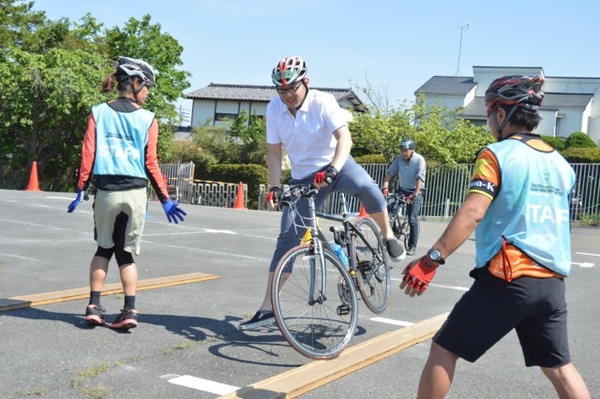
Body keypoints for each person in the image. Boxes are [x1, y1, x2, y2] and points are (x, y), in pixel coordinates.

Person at [399, 75, 590, 398]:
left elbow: (473, 212)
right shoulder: (561, 164)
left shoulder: (497, 154)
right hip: (552, 282)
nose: (489, 122)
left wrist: (431, 260)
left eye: (489, 114)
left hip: (510, 275)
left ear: (501, 114)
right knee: (559, 367)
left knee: (443, 350)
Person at [238, 55, 406, 331]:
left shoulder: (323, 101)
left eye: (292, 88)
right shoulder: (274, 109)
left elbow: (345, 138)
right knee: (287, 241)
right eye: (281, 90)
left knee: (367, 188)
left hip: (336, 167)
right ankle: (268, 309)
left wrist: (332, 170)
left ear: (306, 82)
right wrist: (275, 186)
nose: (287, 95)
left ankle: (387, 235)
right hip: (303, 178)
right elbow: (273, 151)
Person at [67, 56, 186, 330]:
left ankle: (93, 306)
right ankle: (130, 310)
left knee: (103, 248)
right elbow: (151, 163)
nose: (147, 93)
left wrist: (80, 188)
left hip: (107, 191)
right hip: (135, 194)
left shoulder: (98, 112)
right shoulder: (148, 118)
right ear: (134, 83)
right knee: (126, 253)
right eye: (146, 87)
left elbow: (88, 152)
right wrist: (165, 199)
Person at [382, 138, 426, 256]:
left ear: (412, 150)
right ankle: (394, 229)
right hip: (402, 189)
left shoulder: (419, 159)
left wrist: (415, 194)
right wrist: (385, 187)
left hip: (415, 190)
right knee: (388, 208)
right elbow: (389, 173)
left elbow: (420, 178)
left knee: (412, 219)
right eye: (402, 150)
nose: (403, 153)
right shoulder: (399, 159)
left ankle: (412, 246)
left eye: (405, 150)